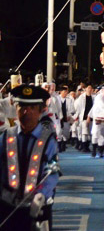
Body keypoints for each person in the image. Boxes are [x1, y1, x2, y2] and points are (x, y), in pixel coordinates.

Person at [0, 85, 59, 229]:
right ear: (16, 109)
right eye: (22, 107)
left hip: (37, 207)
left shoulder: (48, 139)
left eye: (32, 108)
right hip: (6, 205)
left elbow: (52, 171)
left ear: (40, 111)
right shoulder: (6, 136)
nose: (26, 112)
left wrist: (41, 195)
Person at [90, 84, 104, 158]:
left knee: (103, 135)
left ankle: (100, 151)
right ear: (103, 90)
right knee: (95, 134)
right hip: (98, 118)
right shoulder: (99, 97)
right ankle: (94, 150)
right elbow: (102, 106)